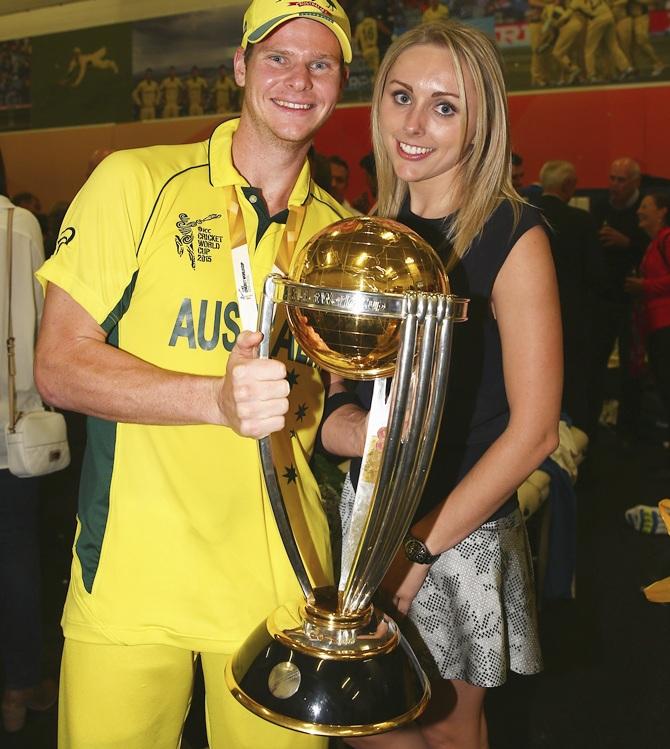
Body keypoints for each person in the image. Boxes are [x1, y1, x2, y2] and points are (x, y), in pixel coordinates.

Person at [33, 1, 352, 747]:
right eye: (277, 58)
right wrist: (212, 399)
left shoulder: (340, 234)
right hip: (132, 578)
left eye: (320, 63)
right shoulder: (137, 182)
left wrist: (368, 431)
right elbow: (59, 364)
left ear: (342, 81)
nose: (298, 80)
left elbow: (316, 408)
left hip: (280, 585)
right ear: (239, 67)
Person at [321, 20, 562, 749]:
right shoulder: (367, 234)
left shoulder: (513, 234)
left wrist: (419, 551)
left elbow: (536, 430)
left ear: (480, 120)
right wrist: (346, 431)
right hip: (368, 522)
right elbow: (337, 403)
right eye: (401, 96)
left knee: (448, 727)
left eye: (444, 105)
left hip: (461, 528)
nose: (415, 123)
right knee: (365, 718)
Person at [1, 156, 58, 733]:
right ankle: (21, 685)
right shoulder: (18, 224)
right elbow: (41, 322)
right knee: (17, 556)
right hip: (12, 421)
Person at [537, 160, 608, 434]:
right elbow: (596, 273)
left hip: (528, 320)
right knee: (575, 385)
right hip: (574, 320)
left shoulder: (524, 217)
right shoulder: (581, 221)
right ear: (568, 186)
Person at [590, 157, 649, 439]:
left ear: (635, 182)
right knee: (597, 359)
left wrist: (628, 243)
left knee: (632, 364)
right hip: (605, 298)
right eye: (612, 178)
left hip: (635, 300)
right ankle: (593, 421)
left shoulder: (647, 209)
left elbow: (655, 249)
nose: (614, 185)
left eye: (621, 180)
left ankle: (630, 427)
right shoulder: (601, 206)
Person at [624, 193, 670, 463]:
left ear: (662, 211)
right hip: (655, 324)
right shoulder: (656, 243)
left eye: (645, 206)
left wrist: (645, 287)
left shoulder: (665, 239)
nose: (639, 211)